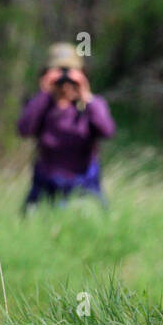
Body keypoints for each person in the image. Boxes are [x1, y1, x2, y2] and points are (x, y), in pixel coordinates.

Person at [17, 42, 116, 207]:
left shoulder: (91, 105)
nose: (65, 80)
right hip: (46, 187)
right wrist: (43, 93)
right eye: (58, 71)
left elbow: (107, 131)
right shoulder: (40, 105)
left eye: (70, 72)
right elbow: (24, 129)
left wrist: (85, 95)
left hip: (85, 185)